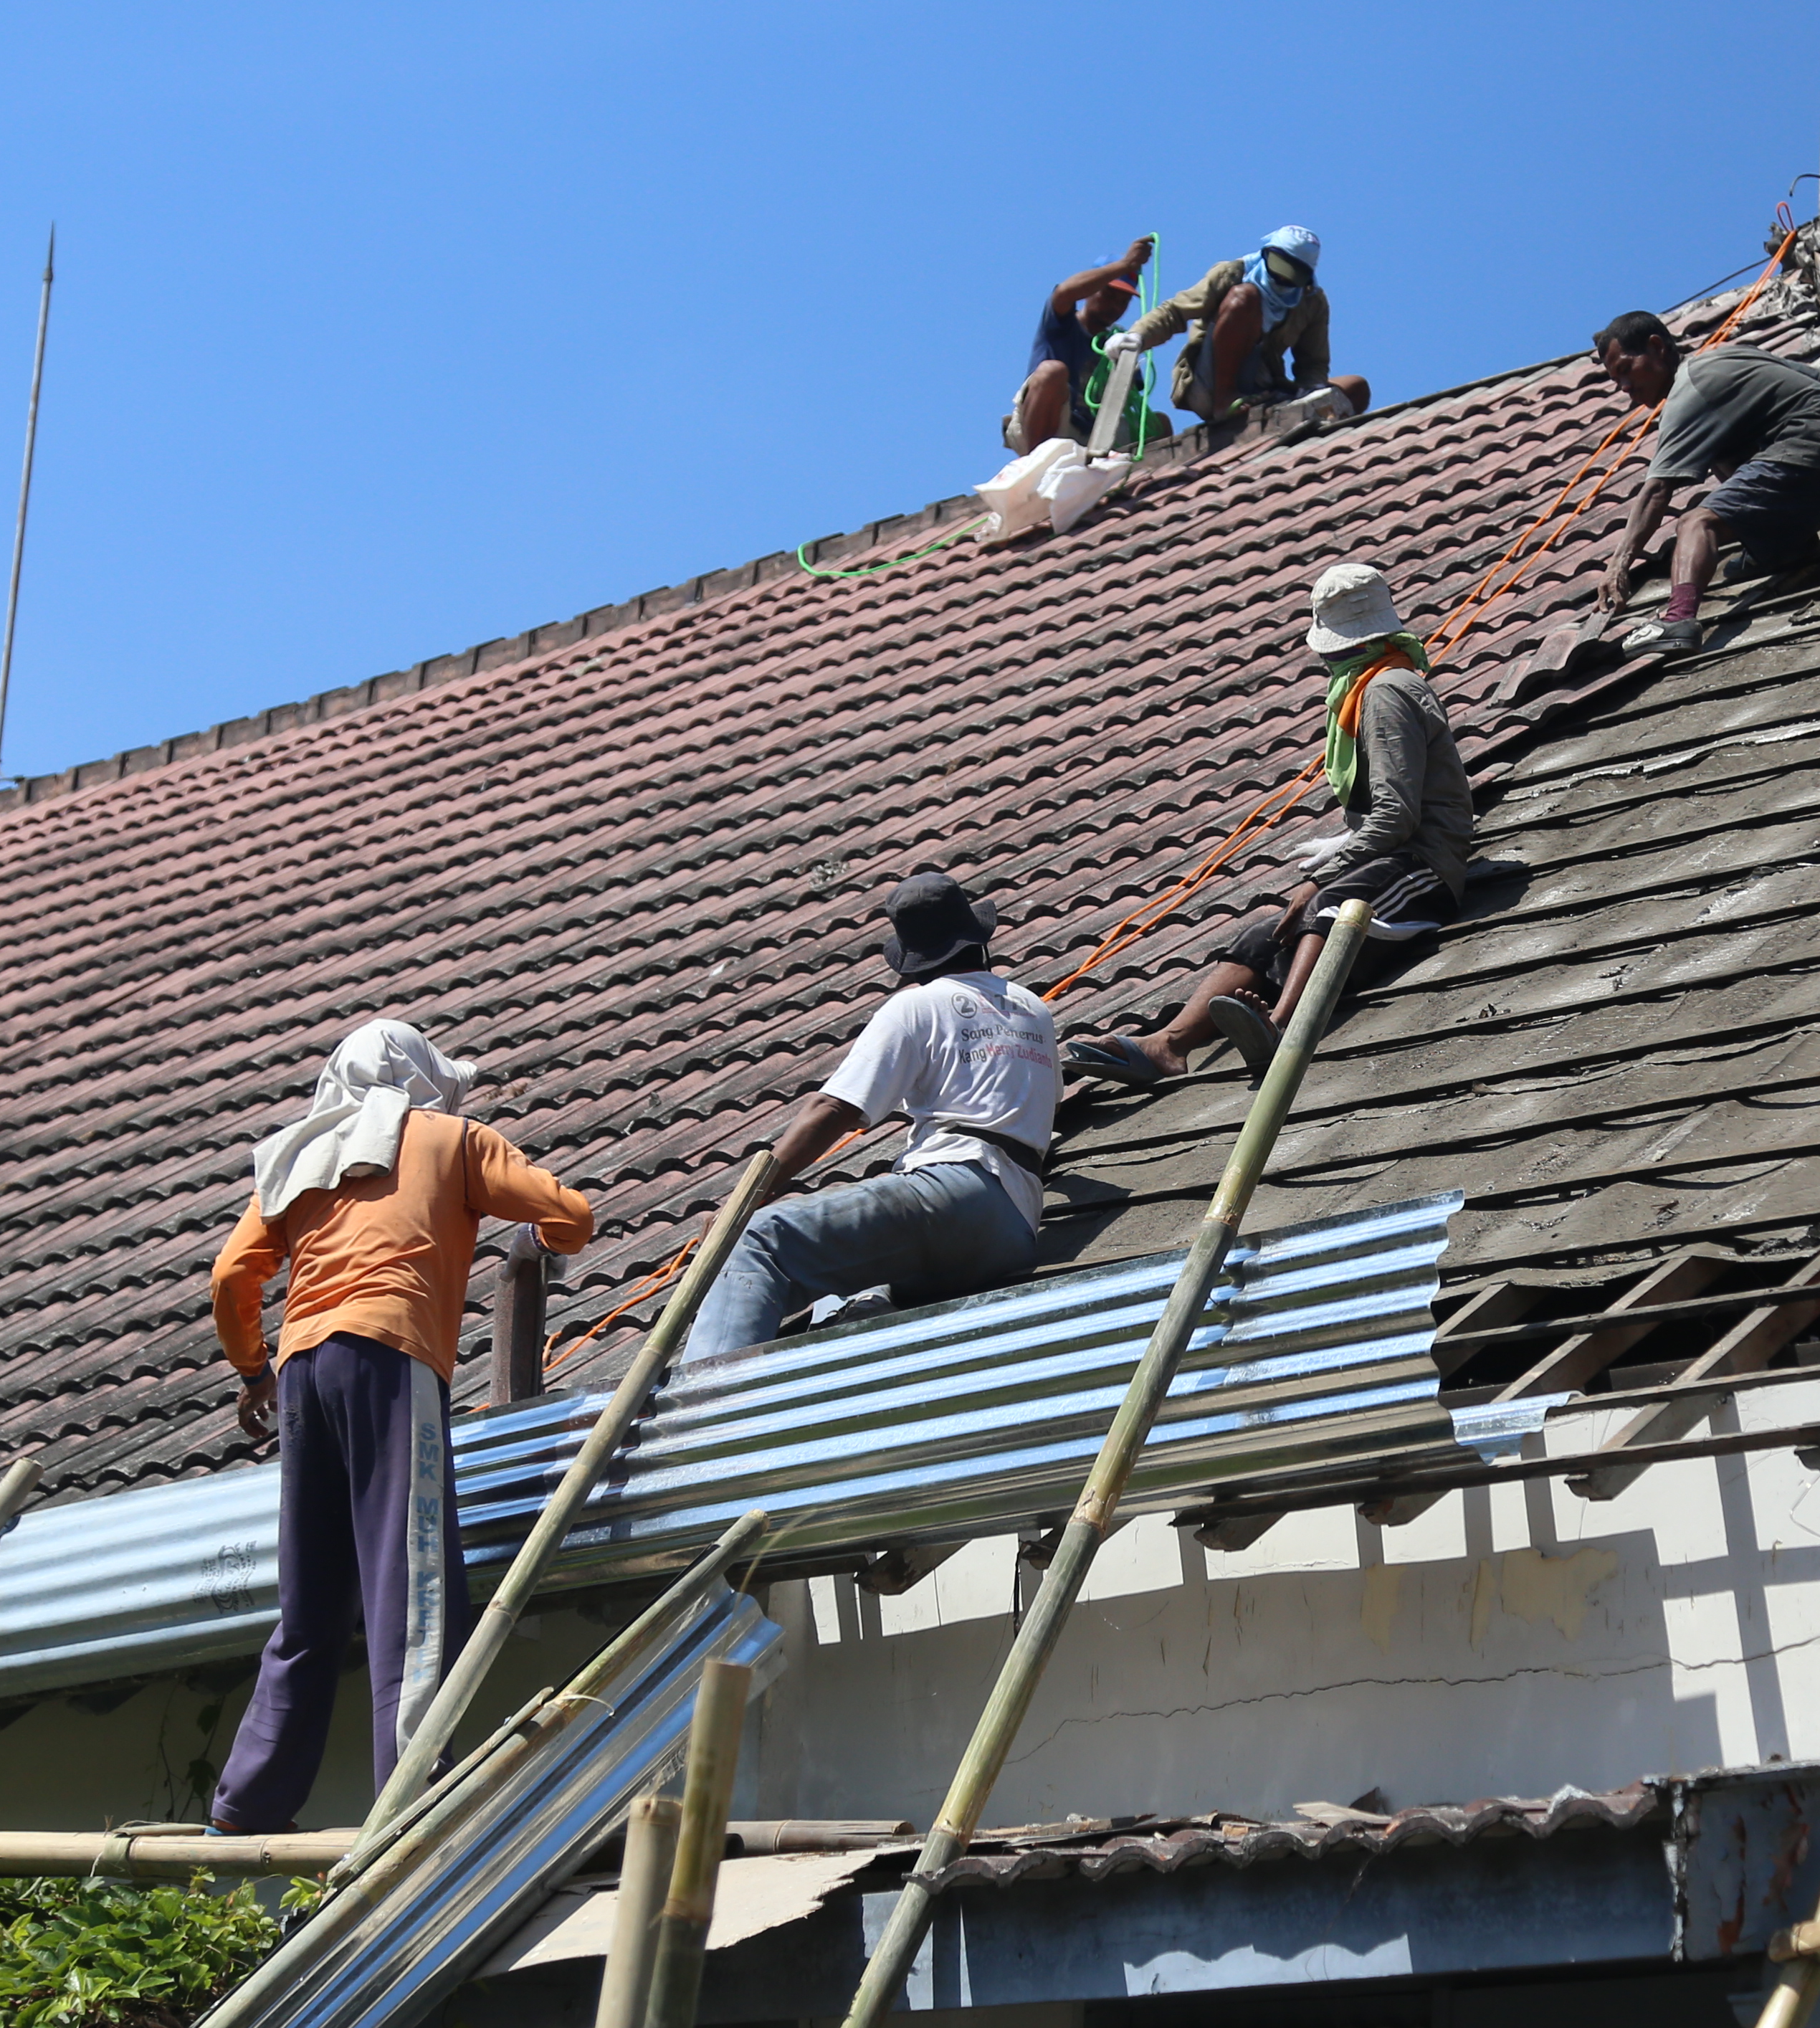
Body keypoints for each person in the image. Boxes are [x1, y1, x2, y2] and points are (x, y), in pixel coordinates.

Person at [206, 1019, 591, 1835]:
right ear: (422, 1078)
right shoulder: (453, 1140)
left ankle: (243, 1809)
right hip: (388, 1355)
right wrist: (536, 1244)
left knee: (309, 1606)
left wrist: (252, 1371)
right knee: (412, 1590)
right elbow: (571, 1214)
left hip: (303, 1369)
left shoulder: (295, 1157)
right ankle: (414, 1797)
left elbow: (232, 1274)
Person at [1065, 565, 1469, 1085]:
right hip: (1391, 854)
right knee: (1265, 934)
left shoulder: (1386, 692)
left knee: (1326, 906)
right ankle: (1167, 1045)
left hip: (1427, 866)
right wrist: (1345, 845)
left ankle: (1279, 1026)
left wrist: (1321, 876)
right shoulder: (1365, 688)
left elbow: (1397, 816)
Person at [685, 871, 1060, 1361]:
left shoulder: (915, 1005)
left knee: (757, 1241)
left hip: (956, 1192)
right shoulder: (1033, 1009)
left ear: (912, 959)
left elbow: (834, 1108)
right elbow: (1043, 1108)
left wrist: (742, 1205)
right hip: (1014, 1226)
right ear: (978, 938)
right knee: (842, 1288)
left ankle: (704, 1409)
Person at [1588, 313, 1820, 657]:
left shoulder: (1688, 392)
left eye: (1625, 370)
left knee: (1696, 522)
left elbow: (1657, 491)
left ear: (1656, 347)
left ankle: (1679, 619)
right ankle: (1790, 544)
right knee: (1722, 455)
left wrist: (1618, 565)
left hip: (1809, 452)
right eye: (1615, 380)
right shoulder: (1731, 355)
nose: (1624, 387)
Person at [1138, 226, 1371, 432]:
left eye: (1293, 274)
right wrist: (1135, 338)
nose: (1282, 279)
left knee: (1355, 388)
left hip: (1265, 389)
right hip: (1210, 384)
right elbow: (1176, 312)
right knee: (1245, 297)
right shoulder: (1234, 274)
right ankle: (1225, 401)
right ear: (1265, 254)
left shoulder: (1312, 301)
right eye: (1278, 265)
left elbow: (1314, 363)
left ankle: (1294, 427)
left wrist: (1311, 393)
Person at [1004, 237, 1161, 453]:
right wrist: (1124, 266)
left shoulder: (1120, 343)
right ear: (1091, 290)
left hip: (1095, 436)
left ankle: (1147, 479)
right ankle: (1037, 460)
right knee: (1052, 372)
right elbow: (1064, 293)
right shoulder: (1061, 323)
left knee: (1159, 425)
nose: (1115, 305)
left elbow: (1131, 402)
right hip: (1053, 426)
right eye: (1109, 295)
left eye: (1123, 301)